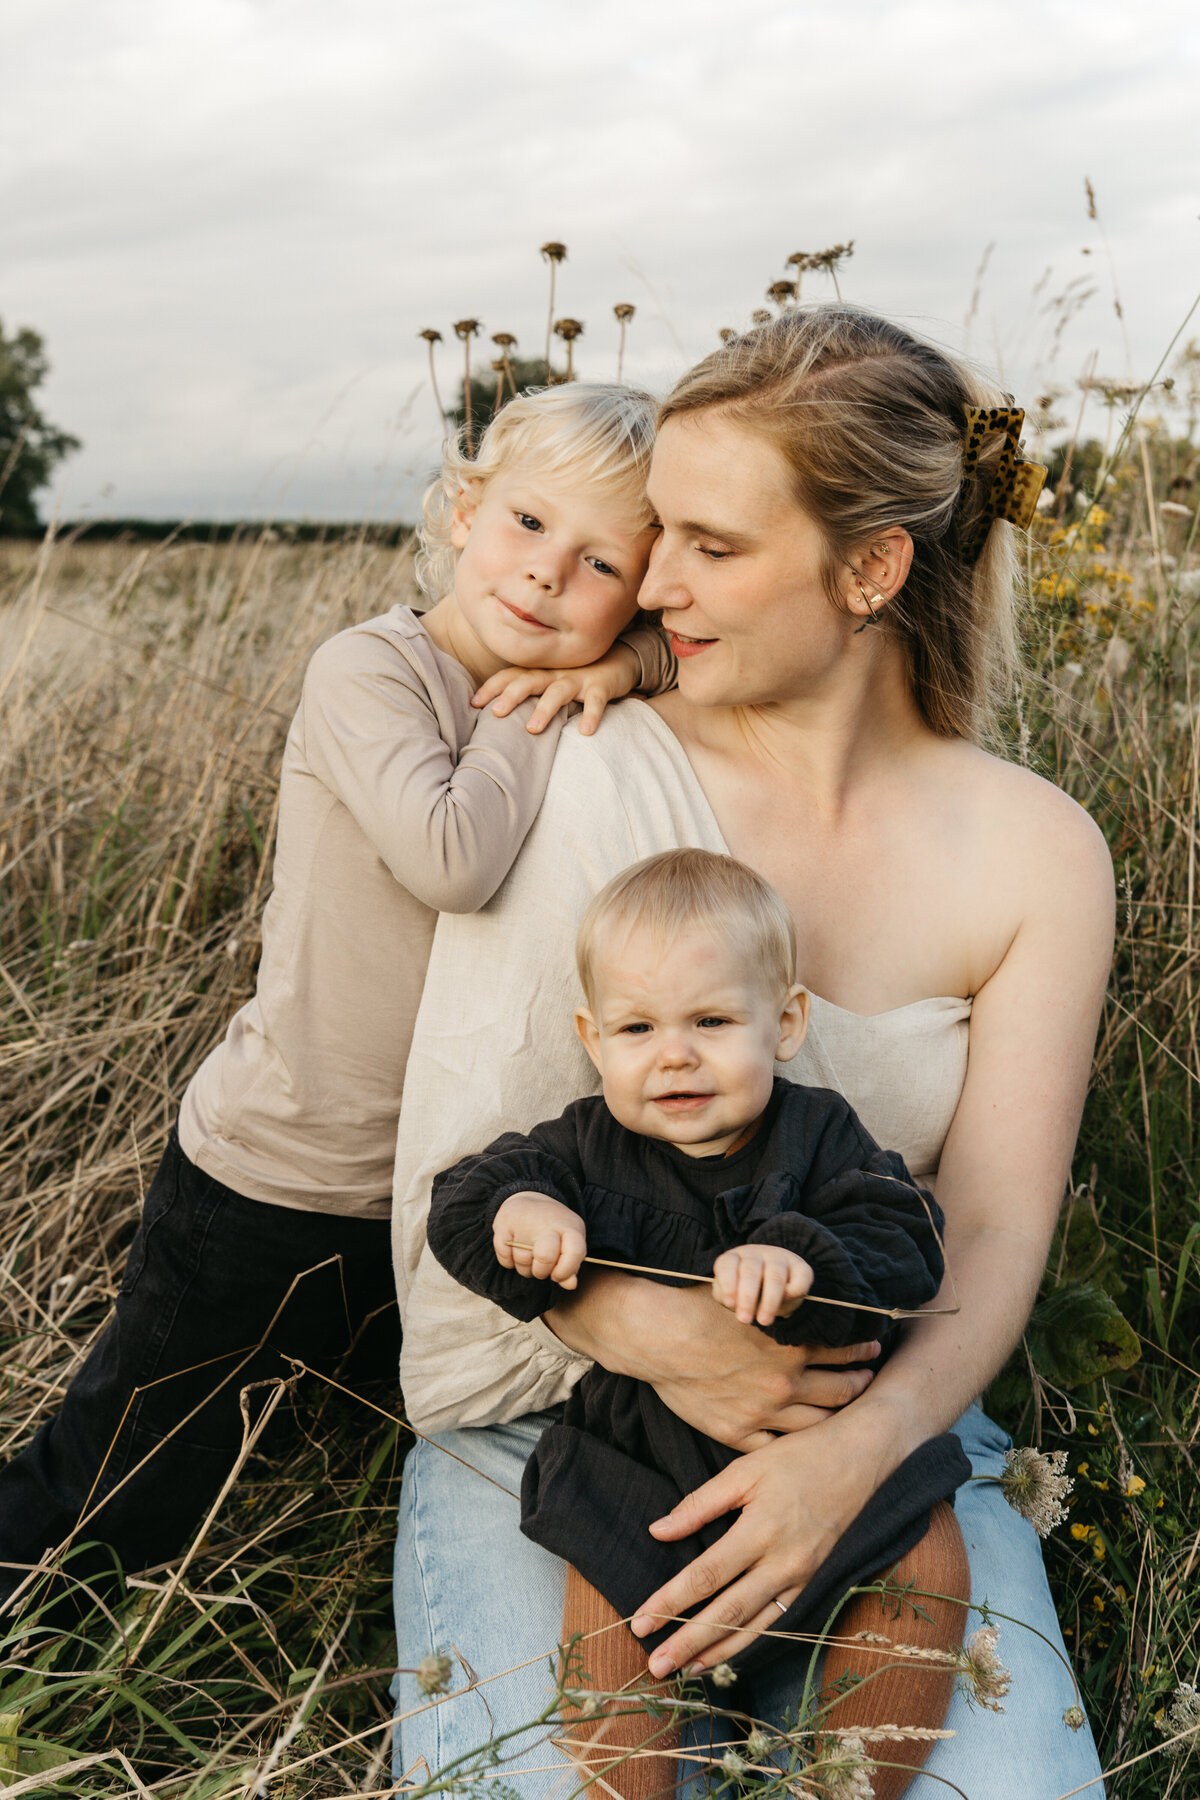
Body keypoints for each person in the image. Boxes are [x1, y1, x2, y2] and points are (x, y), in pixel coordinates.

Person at [390, 306, 1115, 1797]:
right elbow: (460, 1180)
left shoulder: (1037, 852)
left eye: (712, 547)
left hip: (876, 1415)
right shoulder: (580, 761)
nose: (651, 583)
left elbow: (991, 1225)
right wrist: (647, 1331)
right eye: (660, 531)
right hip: (556, 1418)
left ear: (871, 569)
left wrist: (857, 1450)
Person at [0, 381, 670, 1617]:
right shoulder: (372, 669)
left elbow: (710, 660)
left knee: (373, 1463)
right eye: (527, 523)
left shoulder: (604, 676)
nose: (545, 574)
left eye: (600, 564)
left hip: (449, 1191)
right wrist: (546, 696)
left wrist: (629, 660)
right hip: (281, 1171)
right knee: (119, 1486)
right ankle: (33, 1634)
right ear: (463, 509)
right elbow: (451, 857)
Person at [427, 849, 970, 1795]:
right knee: (612, 1644)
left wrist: (801, 1259)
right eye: (638, 1027)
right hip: (644, 1473)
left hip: (827, 1453)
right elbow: (462, 1199)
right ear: (593, 1039)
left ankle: (842, 1784)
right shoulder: (582, 1146)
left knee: (924, 1570)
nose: (674, 1053)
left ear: (785, 1023)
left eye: (711, 1022)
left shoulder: (818, 1133)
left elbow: (906, 1239)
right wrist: (521, 1209)